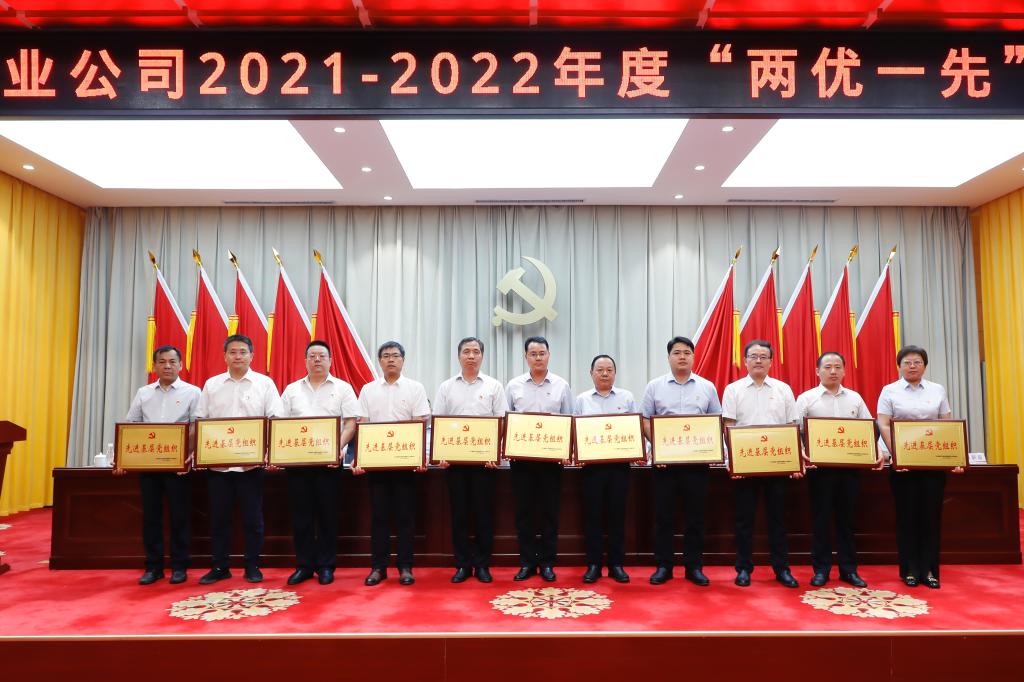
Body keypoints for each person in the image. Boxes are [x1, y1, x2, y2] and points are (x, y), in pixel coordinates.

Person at [195, 334, 283, 585]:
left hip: (251, 465)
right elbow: (200, 420)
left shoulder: (264, 384)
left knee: (252, 519)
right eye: (232, 352)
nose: (238, 356)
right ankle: (220, 566)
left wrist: (267, 452)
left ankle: (252, 565)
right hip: (218, 465)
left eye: (243, 352)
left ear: (252, 356)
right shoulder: (212, 385)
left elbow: (275, 420)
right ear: (225, 356)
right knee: (219, 519)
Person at [876, 345, 962, 590]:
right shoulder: (889, 390)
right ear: (899, 366)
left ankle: (930, 570)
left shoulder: (937, 389)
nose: (912, 366)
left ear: (924, 365)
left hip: (931, 464)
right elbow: (883, 424)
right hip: (903, 466)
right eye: (907, 362)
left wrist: (952, 457)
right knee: (907, 517)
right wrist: (898, 455)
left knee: (931, 517)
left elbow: (947, 424)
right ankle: (910, 570)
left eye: (917, 362)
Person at [641, 336, 722, 587]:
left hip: (697, 465)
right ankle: (663, 566)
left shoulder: (707, 387)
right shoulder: (654, 386)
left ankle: (693, 567)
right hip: (664, 465)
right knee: (663, 517)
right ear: (669, 357)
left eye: (687, 352)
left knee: (695, 517)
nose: (682, 357)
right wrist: (660, 448)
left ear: (693, 357)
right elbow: (645, 421)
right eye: (677, 352)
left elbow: (716, 421)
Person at [279, 340, 361, 586]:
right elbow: (281, 424)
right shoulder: (292, 390)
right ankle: (304, 566)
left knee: (327, 516)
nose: (317, 360)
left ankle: (326, 566)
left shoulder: (343, 388)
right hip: (298, 464)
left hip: (329, 464)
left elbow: (350, 423)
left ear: (330, 360)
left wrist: (338, 449)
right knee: (301, 517)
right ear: (305, 360)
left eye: (322, 356)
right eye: (312, 356)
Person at [117, 345, 200, 585]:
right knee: (151, 517)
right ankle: (153, 567)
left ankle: (179, 566)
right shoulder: (144, 393)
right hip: (149, 466)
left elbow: (197, 426)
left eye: (172, 362)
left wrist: (189, 455)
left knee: (179, 517)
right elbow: (131, 425)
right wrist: (123, 458)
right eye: (162, 362)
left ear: (181, 365)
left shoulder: (193, 392)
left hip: (178, 467)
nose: (167, 366)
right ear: (154, 366)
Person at [722, 339, 802, 589]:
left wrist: (796, 462)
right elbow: (728, 427)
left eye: (763, 356)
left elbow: (792, 426)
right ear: (745, 361)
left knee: (778, 519)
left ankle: (782, 569)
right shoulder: (733, 390)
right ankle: (743, 569)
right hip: (745, 467)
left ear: (771, 361)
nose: (758, 360)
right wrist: (731, 462)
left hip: (777, 465)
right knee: (744, 520)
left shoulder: (783, 389)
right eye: (753, 356)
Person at [795, 351, 876, 588]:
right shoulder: (807, 399)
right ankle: (821, 570)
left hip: (849, 469)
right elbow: (795, 431)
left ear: (844, 371)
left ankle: (849, 570)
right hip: (819, 470)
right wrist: (802, 453)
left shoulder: (855, 398)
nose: (833, 371)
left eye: (838, 367)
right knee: (820, 520)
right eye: (828, 367)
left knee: (847, 521)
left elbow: (869, 429)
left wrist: (875, 452)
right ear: (817, 371)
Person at [355, 341, 430, 587]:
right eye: (386, 356)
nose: (391, 359)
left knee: (405, 517)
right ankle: (378, 567)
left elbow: (420, 424)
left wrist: (420, 457)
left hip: (405, 465)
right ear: (380, 361)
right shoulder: (368, 390)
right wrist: (360, 458)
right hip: (377, 464)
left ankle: (405, 566)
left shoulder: (415, 388)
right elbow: (362, 424)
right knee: (379, 517)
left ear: (403, 360)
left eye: (395, 355)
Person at [433, 336, 508, 584]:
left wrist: (495, 453)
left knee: (484, 515)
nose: (471, 356)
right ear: (459, 356)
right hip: (455, 464)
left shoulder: (494, 386)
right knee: (459, 515)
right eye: (467, 351)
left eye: (476, 351)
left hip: (485, 465)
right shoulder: (446, 387)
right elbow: (438, 422)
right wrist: (440, 455)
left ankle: (482, 564)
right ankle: (463, 565)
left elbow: (502, 422)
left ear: (482, 356)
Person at [505, 336, 574, 582]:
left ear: (549, 355)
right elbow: (506, 420)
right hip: (522, 460)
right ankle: (527, 562)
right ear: (525, 357)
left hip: (551, 461)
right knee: (523, 513)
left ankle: (547, 563)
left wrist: (567, 452)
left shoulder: (561, 385)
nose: (538, 358)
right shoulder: (514, 385)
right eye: (533, 354)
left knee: (549, 513)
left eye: (542, 353)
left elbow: (569, 420)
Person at [575, 354, 636, 584]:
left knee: (617, 516)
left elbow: (634, 430)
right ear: (591, 373)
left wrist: (638, 451)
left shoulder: (626, 397)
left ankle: (616, 564)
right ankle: (593, 564)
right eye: (599, 370)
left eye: (609, 370)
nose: (604, 374)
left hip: (619, 467)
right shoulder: (582, 400)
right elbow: (575, 431)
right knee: (592, 517)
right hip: (591, 468)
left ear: (615, 373)